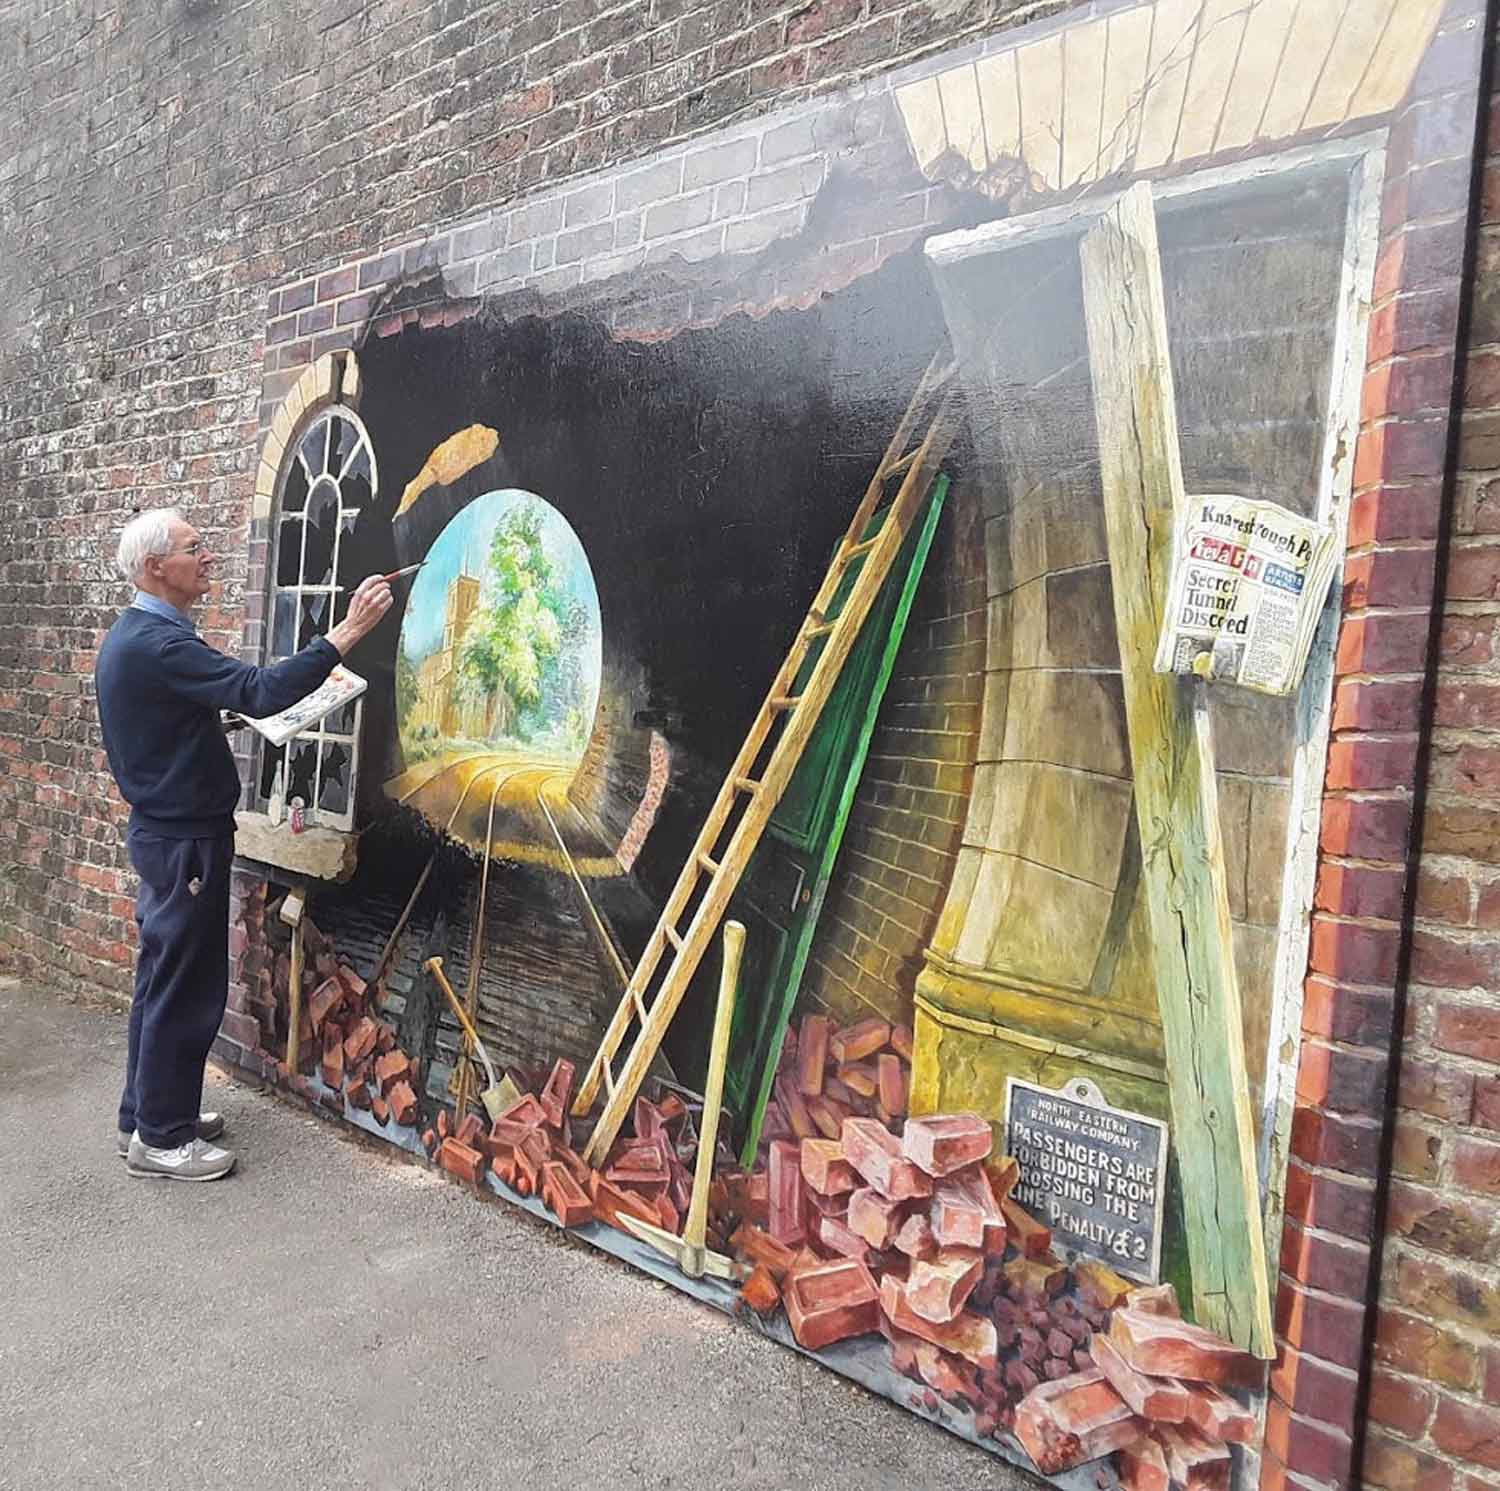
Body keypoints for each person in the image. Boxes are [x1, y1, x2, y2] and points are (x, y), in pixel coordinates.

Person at [95, 507, 393, 1181]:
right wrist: (348, 631)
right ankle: (164, 1139)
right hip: (185, 842)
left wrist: (213, 720)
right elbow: (261, 690)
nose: (208, 556)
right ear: (154, 568)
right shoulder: (161, 644)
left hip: (167, 837)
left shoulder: (138, 638)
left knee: (159, 980)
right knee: (185, 987)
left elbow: (173, 725)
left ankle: (143, 1117)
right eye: (193, 548)